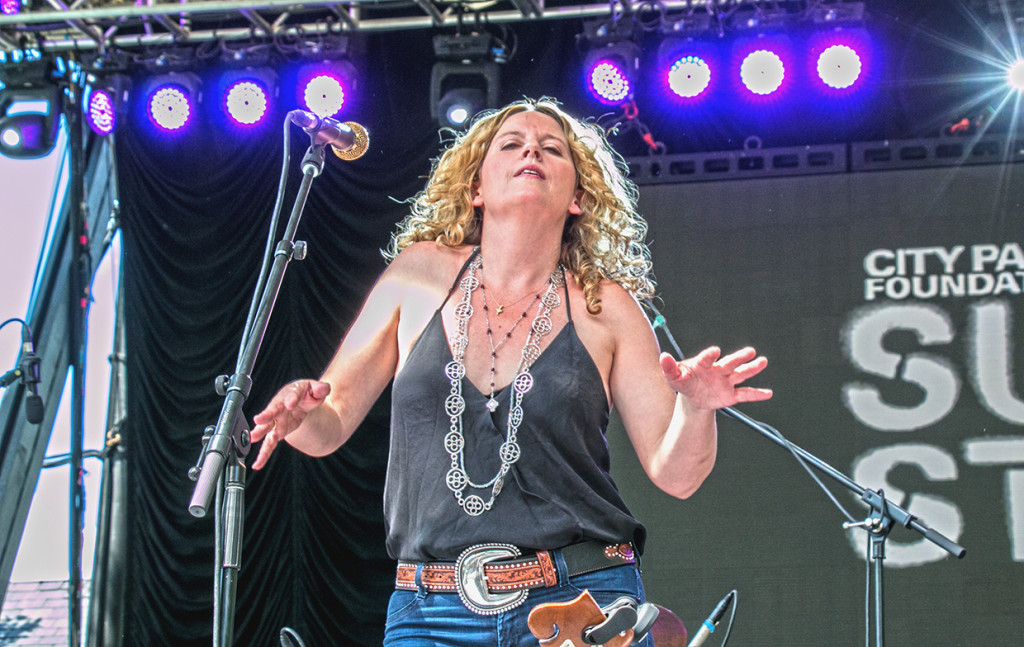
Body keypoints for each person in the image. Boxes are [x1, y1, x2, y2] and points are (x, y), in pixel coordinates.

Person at [250, 97, 772, 646]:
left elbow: (677, 475)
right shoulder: (417, 274)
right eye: (512, 144)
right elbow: (328, 424)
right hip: (430, 608)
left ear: (578, 197)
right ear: (476, 188)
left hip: (580, 598)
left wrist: (696, 407)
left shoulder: (607, 307)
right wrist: (298, 415)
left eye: (552, 149)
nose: (532, 152)